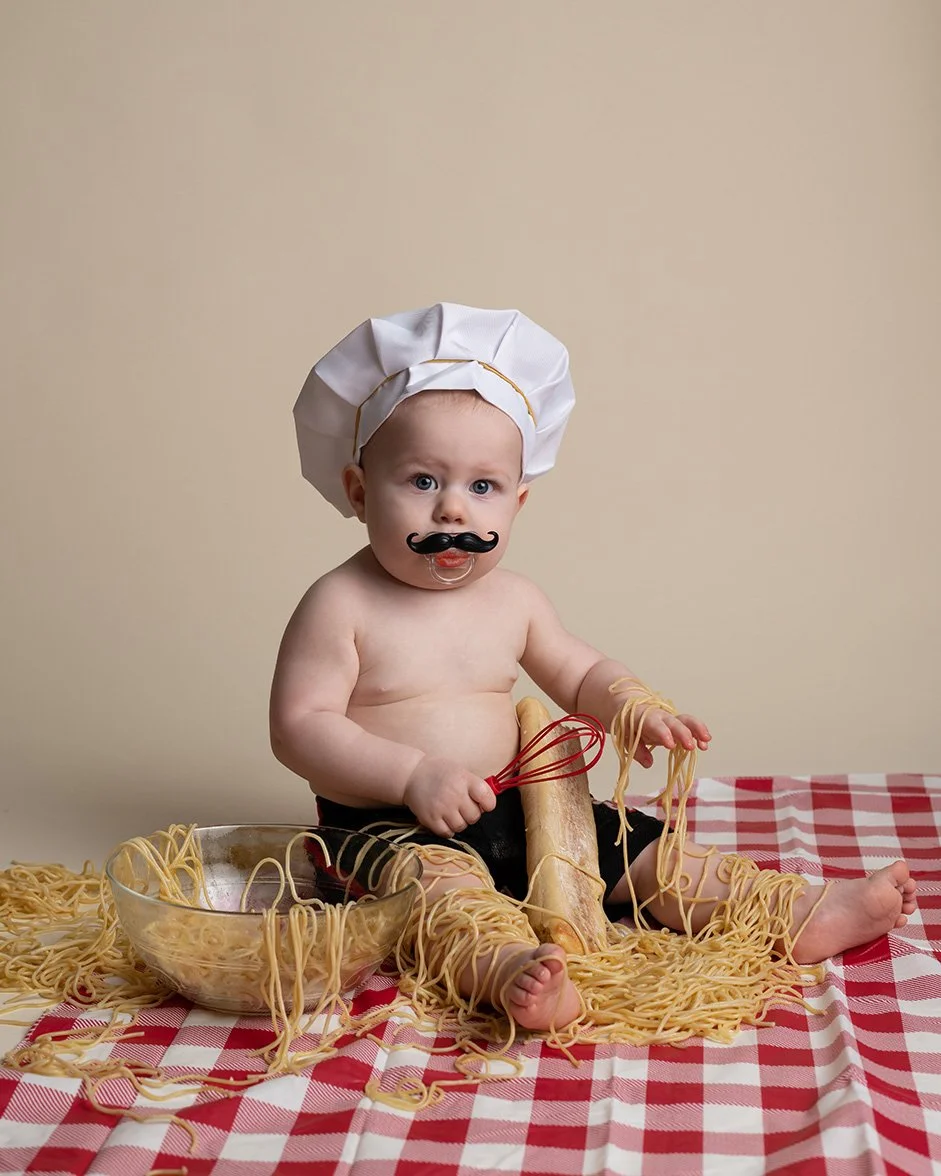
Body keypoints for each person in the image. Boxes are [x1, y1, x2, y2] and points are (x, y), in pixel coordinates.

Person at [271, 303, 916, 1032]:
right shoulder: (339, 603)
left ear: (517, 501)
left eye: (481, 487)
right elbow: (300, 727)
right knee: (442, 900)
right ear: (358, 491)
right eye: (421, 481)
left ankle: (788, 911)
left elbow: (579, 674)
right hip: (387, 827)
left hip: (522, 807)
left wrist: (630, 705)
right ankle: (507, 972)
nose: (453, 509)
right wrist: (409, 775)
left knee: (639, 850)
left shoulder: (512, 599)